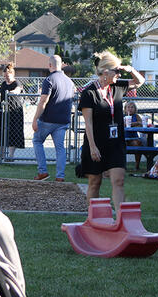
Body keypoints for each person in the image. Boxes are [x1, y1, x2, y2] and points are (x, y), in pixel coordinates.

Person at [78, 51, 144, 211]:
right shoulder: (89, 93)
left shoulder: (118, 86)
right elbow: (88, 123)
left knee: (119, 180)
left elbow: (140, 82)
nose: (119, 74)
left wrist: (129, 69)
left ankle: (121, 218)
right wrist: (92, 147)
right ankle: (92, 217)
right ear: (106, 72)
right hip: (96, 143)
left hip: (115, 144)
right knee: (95, 182)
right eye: (117, 71)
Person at [32, 55, 73, 181]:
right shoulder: (69, 82)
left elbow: (43, 101)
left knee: (37, 141)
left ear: (50, 65)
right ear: (61, 64)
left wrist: (35, 119)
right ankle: (60, 176)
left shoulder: (49, 79)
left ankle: (43, 171)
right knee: (60, 148)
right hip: (63, 120)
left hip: (48, 119)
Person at [0, 63, 25, 162]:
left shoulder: (17, 83)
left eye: (7, 76)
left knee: (13, 131)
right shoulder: (3, 84)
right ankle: (1, 155)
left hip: (14, 111)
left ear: (12, 74)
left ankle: (10, 156)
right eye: (4, 76)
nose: (6, 78)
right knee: (1, 131)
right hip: (3, 111)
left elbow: (17, 90)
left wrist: (10, 93)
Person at [123, 101, 147, 171]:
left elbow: (141, 124)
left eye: (132, 107)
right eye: (128, 107)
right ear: (125, 109)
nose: (130, 109)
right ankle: (123, 166)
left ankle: (137, 166)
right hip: (124, 138)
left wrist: (132, 123)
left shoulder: (136, 116)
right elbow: (122, 124)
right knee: (121, 145)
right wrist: (135, 124)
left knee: (137, 144)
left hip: (134, 137)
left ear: (135, 109)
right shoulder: (123, 116)